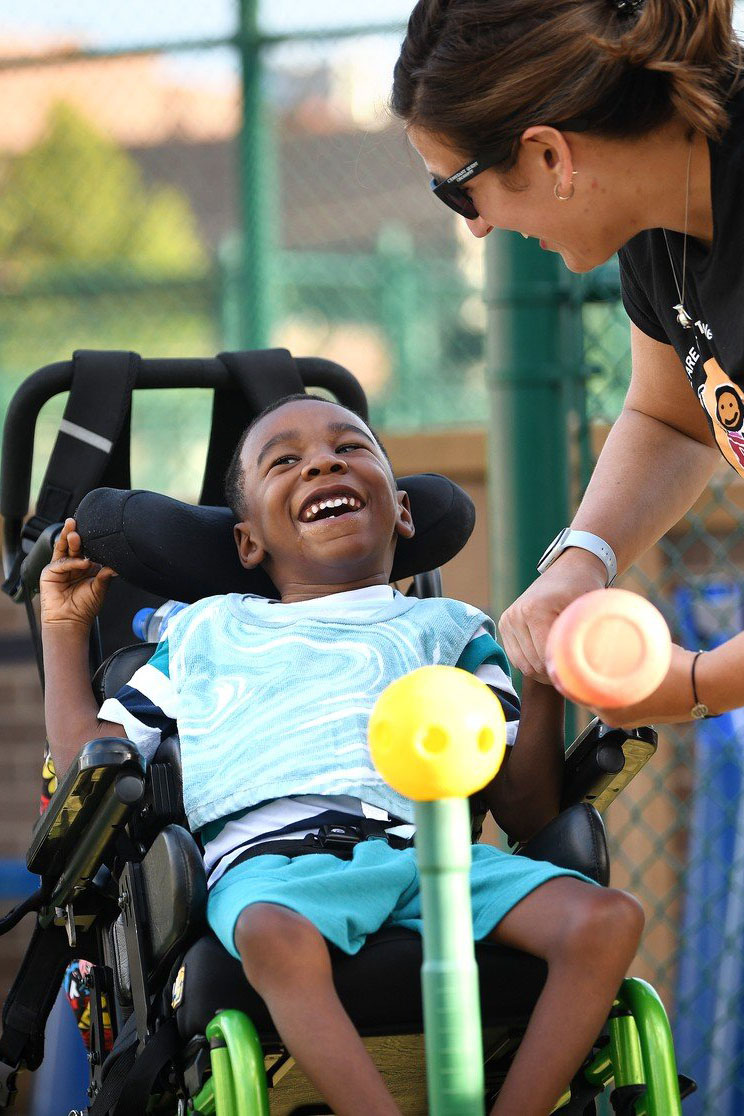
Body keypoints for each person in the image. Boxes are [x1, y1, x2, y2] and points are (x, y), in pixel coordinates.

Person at [40, 394, 643, 1116]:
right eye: (285, 461)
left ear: (404, 512)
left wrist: (541, 679)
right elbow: (90, 769)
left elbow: (527, 809)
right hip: (275, 866)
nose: (324, 461)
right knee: (269, 932)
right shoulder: (205, 636)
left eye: (351, 448)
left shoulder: (451, 630)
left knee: (610, 920)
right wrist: (65, 633)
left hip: (433, 860)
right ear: (247, 543)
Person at [392, 0, 744, 728]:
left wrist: (701, 682)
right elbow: (672, 419)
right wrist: (584, 559)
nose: (477, 224)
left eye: (457, 187)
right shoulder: (663, 216)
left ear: (551, 155)